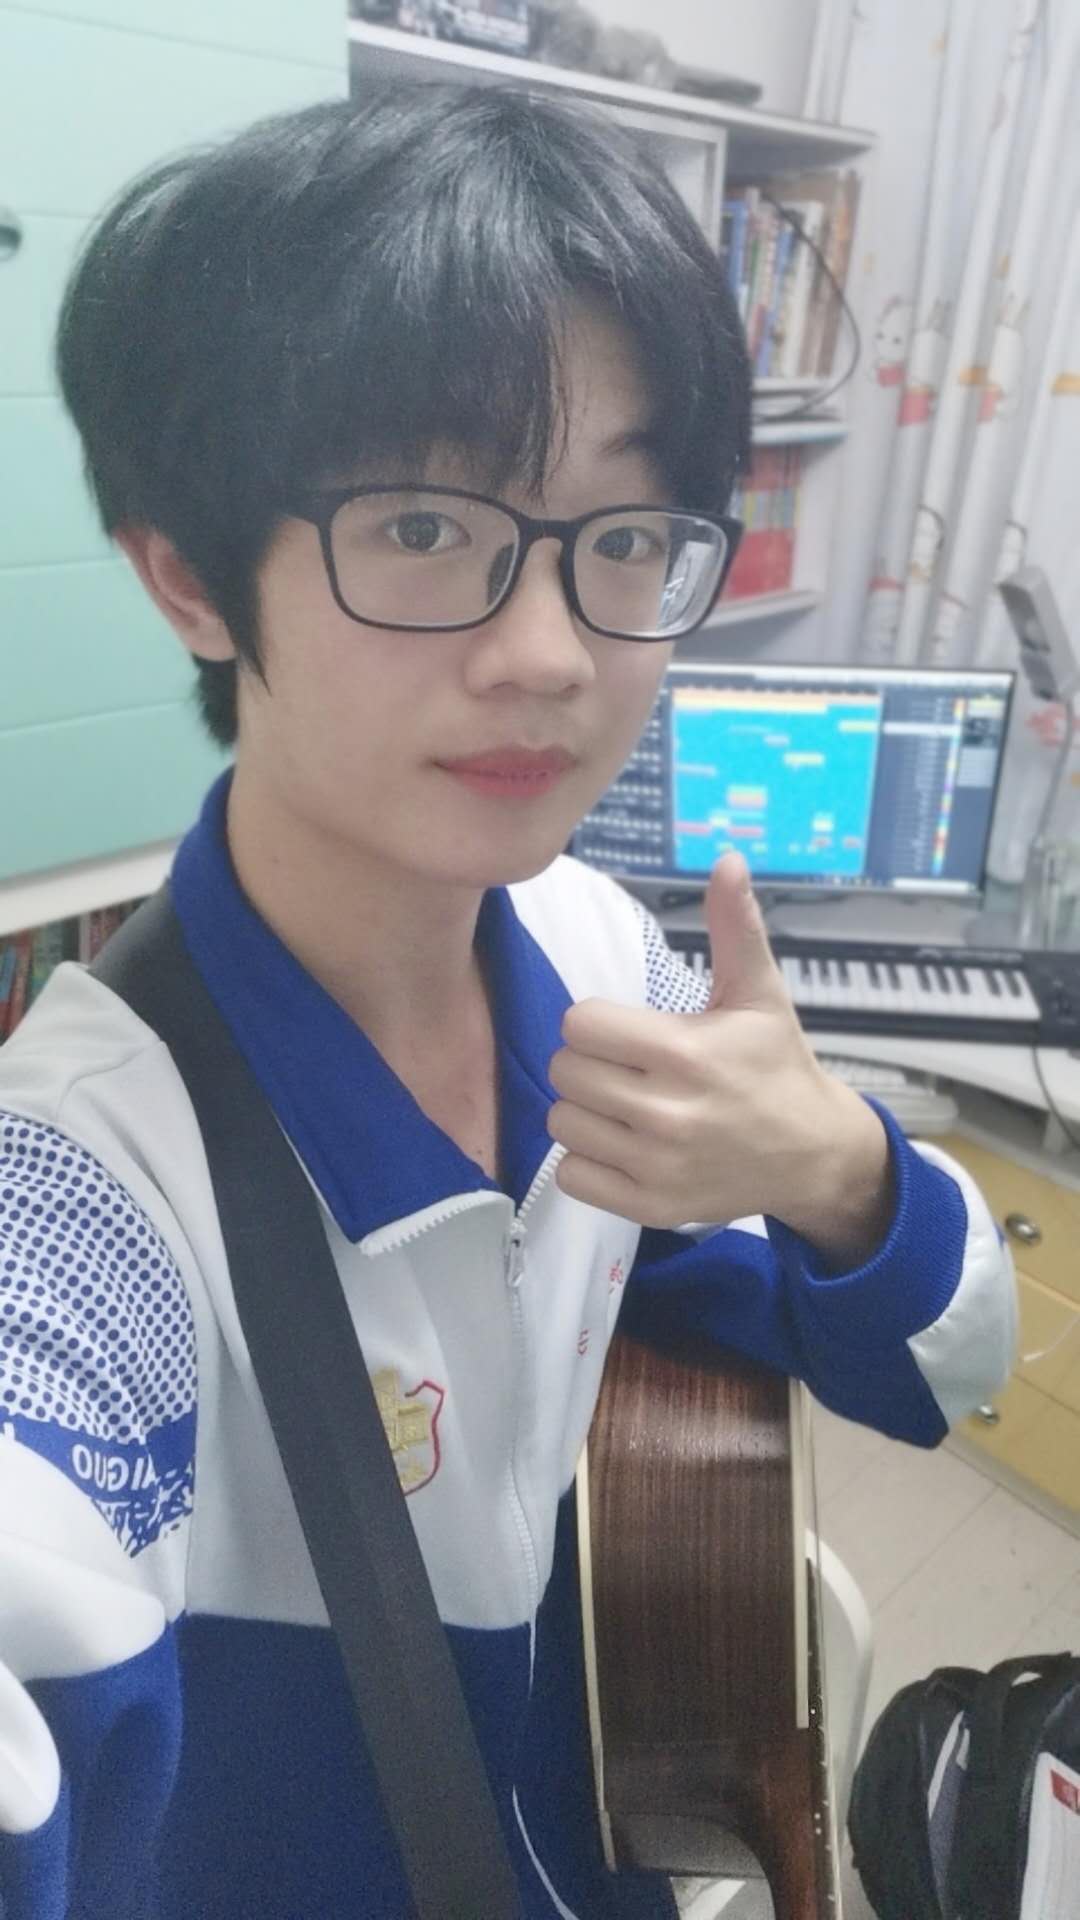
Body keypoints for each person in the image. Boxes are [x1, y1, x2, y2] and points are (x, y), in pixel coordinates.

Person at [0, 81, 1015, 1920]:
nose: (550, 652)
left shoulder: (598, 951)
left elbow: (956, 1362)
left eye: (624, 538)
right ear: (191, 579)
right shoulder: (84, 1184)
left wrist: (838, 1169)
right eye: (419, 524)